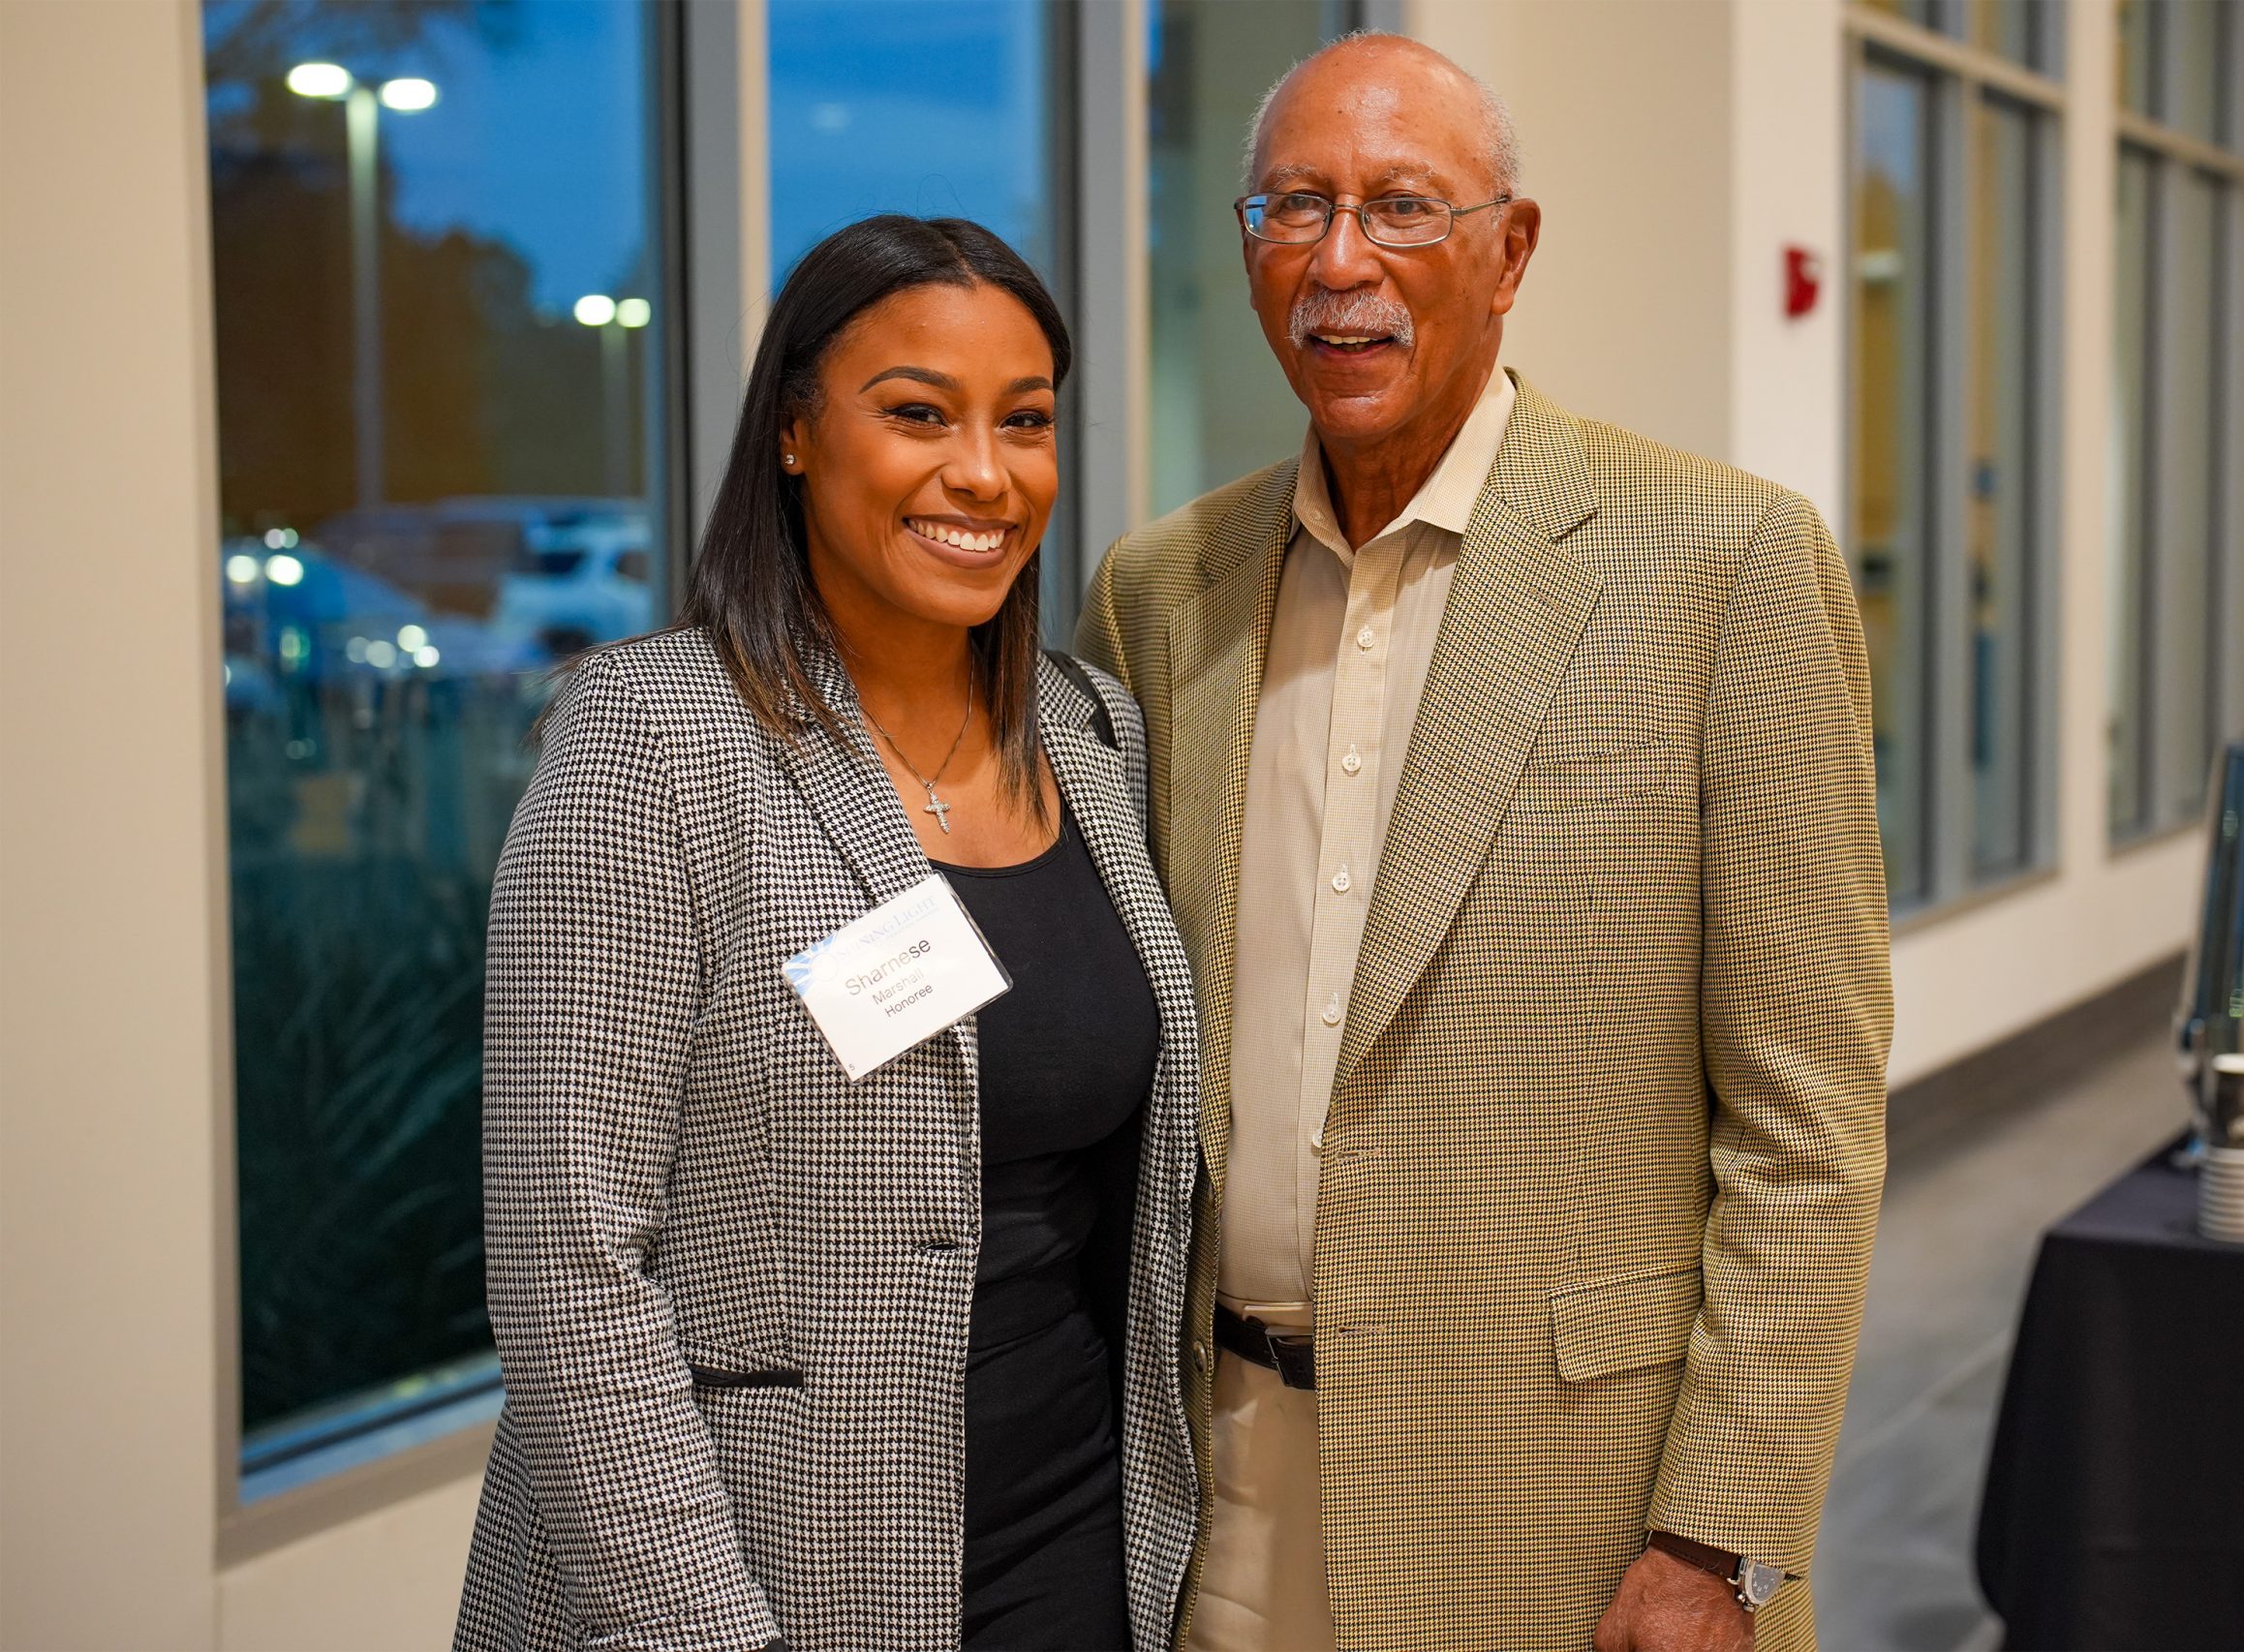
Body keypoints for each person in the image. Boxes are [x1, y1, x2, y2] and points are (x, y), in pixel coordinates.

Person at [1076, 33, 1891, 1652]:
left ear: (1510, 251)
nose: (1340, 262)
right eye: (1292, 208)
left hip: (1573, 1511)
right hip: (1215, 1489)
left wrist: (1721, 1535)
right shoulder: (1159, 592)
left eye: (1402, 206)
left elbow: (1810, 1108)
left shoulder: (1724, 564)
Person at [455, 216, 1200, 1652]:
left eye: (1026, 421)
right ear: (795, 432)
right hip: (755, 1565)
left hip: (1077, 1541)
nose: (983, 472)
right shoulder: (649, 745)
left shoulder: (1093, 736)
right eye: (917, 413)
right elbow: (568, 1271)